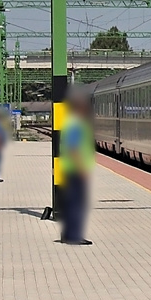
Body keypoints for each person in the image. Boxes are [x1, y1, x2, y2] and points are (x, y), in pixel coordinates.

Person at [59, 89, 95, 245]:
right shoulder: (76, 124)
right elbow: (74, 148)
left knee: (71, 202)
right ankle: (74, 236)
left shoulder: (69, 122)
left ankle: (68, 234)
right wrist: (81, 168)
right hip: (75, 169)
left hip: (69, 168)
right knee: (77, 203)